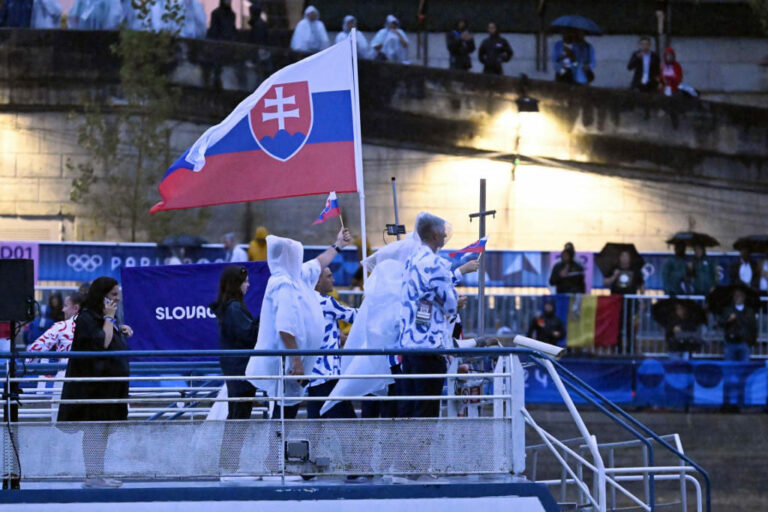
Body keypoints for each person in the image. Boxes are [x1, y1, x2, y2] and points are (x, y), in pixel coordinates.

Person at [246, 228, 352, 419]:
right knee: (284, 412)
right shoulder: (282, 284)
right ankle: (278, 448)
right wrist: (296, 361)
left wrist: (338, 245)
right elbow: (285, 328)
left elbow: (319, 263)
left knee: (288, 409)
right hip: (287, 363)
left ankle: (280, 447)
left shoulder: (297, 276)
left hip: (296, 361)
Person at [58, 277, 134, 489]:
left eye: (118, 294)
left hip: (110, 387)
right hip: (94, 388)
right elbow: (102, 342)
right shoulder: (87, 318)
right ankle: (92, 476)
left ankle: (97, 474)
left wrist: (120, 328)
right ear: (101, 295)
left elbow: (110, 337)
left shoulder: (103, 317)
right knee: (94, 431)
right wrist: (110, 320)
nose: (117, 299)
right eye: (113, 295)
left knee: (103, 431)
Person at [395, 213, 459, 418]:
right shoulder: (436, 263)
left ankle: (410, 449)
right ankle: (422, 450)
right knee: (427, 410)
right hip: (429, 345)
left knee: (412, 406)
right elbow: (450, 306)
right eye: (442, 232)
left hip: (409, 344)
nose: (444, 235)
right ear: (434, 234)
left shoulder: (411, 260)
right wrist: (455, 299)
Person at [306, 267, 358, 419]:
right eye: (329, 276)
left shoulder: (303, 301)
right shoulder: (325, 302)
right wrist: (372, 303)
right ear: (317, 281)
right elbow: (355, 316)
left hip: (313, 375)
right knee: (349, 427)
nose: (333, 280)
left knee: (315, 427)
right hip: (327, 374)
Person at [210, 266, 259, 419]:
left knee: (236, 417)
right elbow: (248, 335)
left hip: (235, 369)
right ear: (236, 284)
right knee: (239, 417)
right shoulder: (235, 308)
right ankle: (231, 444)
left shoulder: (230, 307)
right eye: (245, 282)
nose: (248, 285)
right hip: (241, 370)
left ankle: (231, 444)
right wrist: (263, 320)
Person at [26, 292, 84, 420]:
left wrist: (28, 366)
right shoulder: (99, 326)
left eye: (65, 305)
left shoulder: (62, 327)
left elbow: (34, 350)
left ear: (75, 308)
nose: (63, 309)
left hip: (65, 379)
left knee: (59, 420)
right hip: (93, 379)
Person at [721, 288, 756, 362]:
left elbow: (754, 327)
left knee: (745, 368)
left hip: (744, 343)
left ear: (743, 297)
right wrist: (728, 320)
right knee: (729, 368)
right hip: (730, 343)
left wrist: (751, 342)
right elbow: (721, 323)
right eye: (735, 296)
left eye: (739, 296)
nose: (737, 298)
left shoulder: (750, 311)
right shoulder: (728, 310)